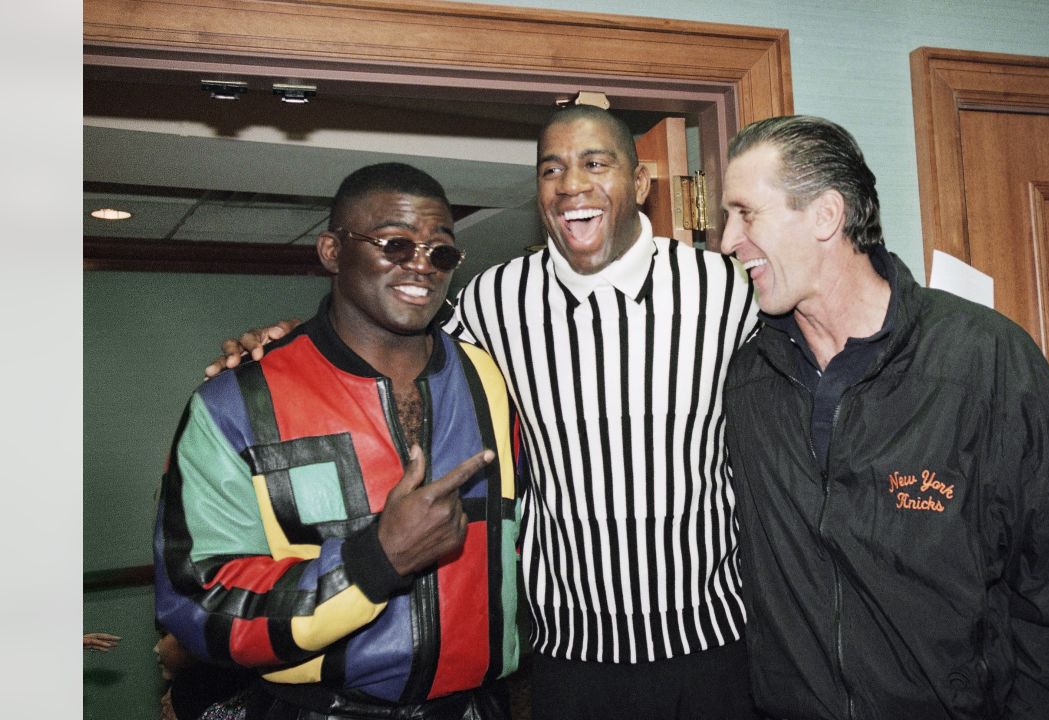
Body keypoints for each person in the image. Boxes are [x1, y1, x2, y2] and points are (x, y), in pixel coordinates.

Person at [206, 106, 761, 720]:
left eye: (595, 163)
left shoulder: (728, 290)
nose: (572, 184)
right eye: (552, 169)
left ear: (641, 183)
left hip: (715, 642)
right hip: (568, 653)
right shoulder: (494, 298)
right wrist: (283, 343)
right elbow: (382, 338)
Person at [717, 115, 1049, 719]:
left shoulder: (983, 361)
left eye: (746, 213)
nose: (727, 239)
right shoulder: (750, 380)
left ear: (826, 215)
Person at [155, 162, 523, 720]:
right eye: (396, 244)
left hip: (473, 707)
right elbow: (196, 602)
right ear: (331, 251)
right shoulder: (237, 403)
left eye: (440, 251)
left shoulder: (488, 380)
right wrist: (374, 562)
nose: (421, 266)